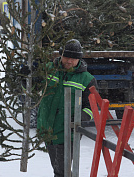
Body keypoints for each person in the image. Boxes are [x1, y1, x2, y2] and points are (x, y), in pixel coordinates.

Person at [37, 39, 98, 177]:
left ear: (79, 59)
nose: (69, 61)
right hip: (47, 128)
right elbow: (32, 90)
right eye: (66, 57)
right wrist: (26, 79)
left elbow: (93, 106)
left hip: (68, 132)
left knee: (62, 171)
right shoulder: (48, 69)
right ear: (61, 55)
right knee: (58, 168)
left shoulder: (87, 79)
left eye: (73, 58)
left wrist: (80, 117)